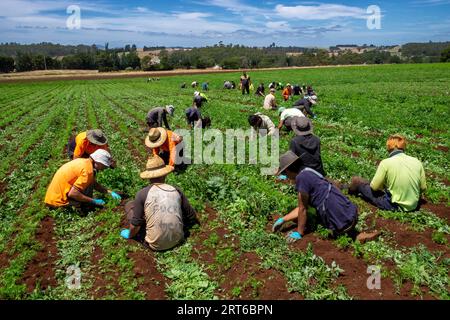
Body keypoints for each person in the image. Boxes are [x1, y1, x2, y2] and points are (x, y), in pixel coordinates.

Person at [272, 151, 379, 243]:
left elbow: (303, 209)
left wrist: (299, 233)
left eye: (285, 173)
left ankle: (353, 236)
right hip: (351, 212)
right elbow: (303, 207)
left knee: (314, 217)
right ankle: (355, 233)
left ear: (289, 170)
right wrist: (283, 219)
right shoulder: (308, 171)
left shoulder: (301, 179)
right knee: (317, 209)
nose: (286, 176)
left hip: (342, 223)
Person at [120, 155, 199, 251]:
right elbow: (191, 216)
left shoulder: (142, 194)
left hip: (155, 245)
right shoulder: (176, 190)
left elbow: (136, 224)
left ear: (148, 177)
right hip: (178, 240)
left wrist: (130, 234)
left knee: (130, 205)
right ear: (165, 174)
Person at [347, 134, 427, 212]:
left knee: (358, 182)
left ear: (388, 148)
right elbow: (423, 188)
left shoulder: (386, 162)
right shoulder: (417, 161)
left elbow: (374, 187)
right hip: (413, 206)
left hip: (394, 205)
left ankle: (347, 190)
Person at [45, 149, 121, 212]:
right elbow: (73, 193)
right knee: (85, 206)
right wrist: (93, 201)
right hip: (58, 202)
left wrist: (108, 192)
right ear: (98, 162)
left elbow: (93, 183)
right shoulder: (88, 171)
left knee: (88, 185)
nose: (104, 168)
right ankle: (81, 206)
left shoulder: (83, 162)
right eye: (104, 166)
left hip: (52, 198)